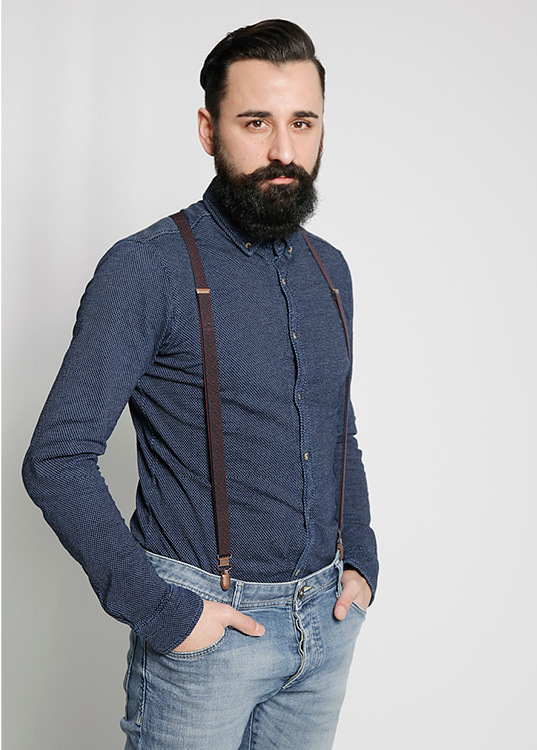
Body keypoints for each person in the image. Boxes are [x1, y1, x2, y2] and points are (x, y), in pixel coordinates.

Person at [22, 18, 379, 750]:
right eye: (255, 122)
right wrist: (164, 612)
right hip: (206, 636)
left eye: (302, 122)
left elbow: (334, 427)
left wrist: (361, 560)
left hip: (326, 626)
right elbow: (56, 459)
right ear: (208, 129)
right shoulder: (146, 268)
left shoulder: (331, 269)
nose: (284, 151)